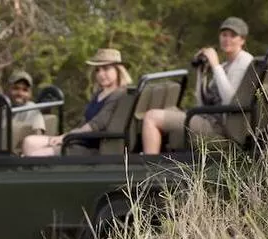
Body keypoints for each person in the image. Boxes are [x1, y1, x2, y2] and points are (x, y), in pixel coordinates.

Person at [141, 17, 253, 154]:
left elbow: (231, 100)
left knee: (151, 117)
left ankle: (148, 165)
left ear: (242, 40)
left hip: (224, 128)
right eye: (224, 35)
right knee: (167, 109)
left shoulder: (244, 62)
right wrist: (202, 72)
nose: (227, 39)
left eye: (233, 36)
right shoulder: (225, 66)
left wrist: (215, 66)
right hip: (209, 119)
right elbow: (201, 103)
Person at [23, 48, 133, 156]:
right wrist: (66, 135)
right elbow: (84, 122)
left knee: (38, 154)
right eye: (97, 70)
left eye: (106, 69)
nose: (101, 74)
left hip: (93, 146)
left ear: (118, 70)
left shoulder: (119, 95)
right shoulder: (98, 94)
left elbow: (96, 124)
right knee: (29, 142)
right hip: (81, 139)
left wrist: (66, 137)